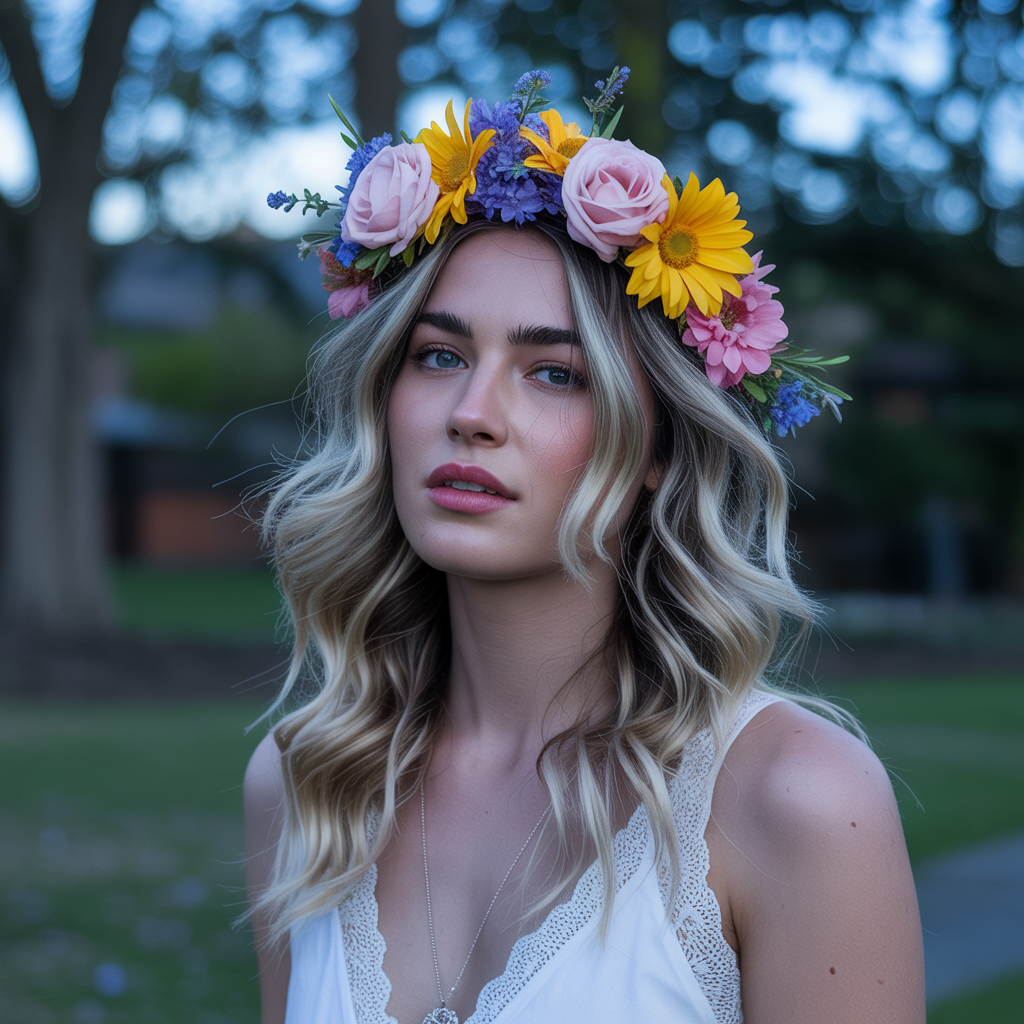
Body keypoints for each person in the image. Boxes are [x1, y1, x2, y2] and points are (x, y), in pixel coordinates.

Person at [246, 71, 925, 1024]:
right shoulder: (307, 782)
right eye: (438, 356)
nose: (472, 415)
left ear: (657, 448)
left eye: (555, 373)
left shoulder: (793, 799)